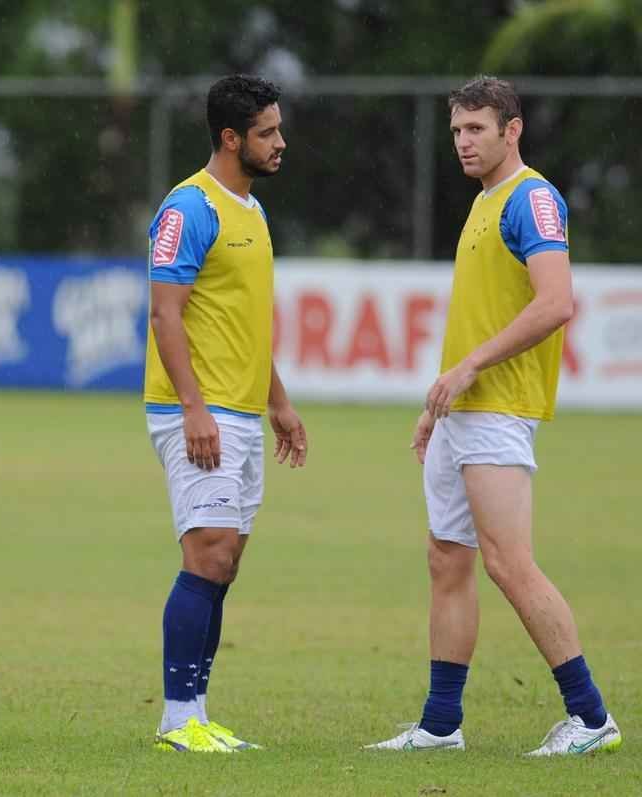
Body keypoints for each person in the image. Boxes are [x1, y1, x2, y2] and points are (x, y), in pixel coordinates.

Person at [366, 76, 621, 757]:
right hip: (464, 413)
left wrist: (471, 368)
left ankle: (591, 716)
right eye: (455, 131)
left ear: (512, 130)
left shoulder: (531, 199)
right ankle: (441, 723)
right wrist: (440, 402)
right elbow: (484, 312)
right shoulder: (484, 202)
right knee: (447, 559)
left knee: (511, 564)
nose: (463, 142)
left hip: (499, 409)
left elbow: (555, 301)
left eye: (476, 129)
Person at [145, 75, 307, 753]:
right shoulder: (190, 208)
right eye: (267, 132)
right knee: (207, 553)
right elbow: (165, 313)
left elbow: (247, 322)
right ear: (230, 137)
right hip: (198, 412)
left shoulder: (253, 211)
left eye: (278, 128)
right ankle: (177, 719)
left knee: (227, 559)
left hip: (240, 410)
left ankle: (198, 712)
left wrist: (279, 401)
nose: (280, 142)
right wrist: (193, 408)